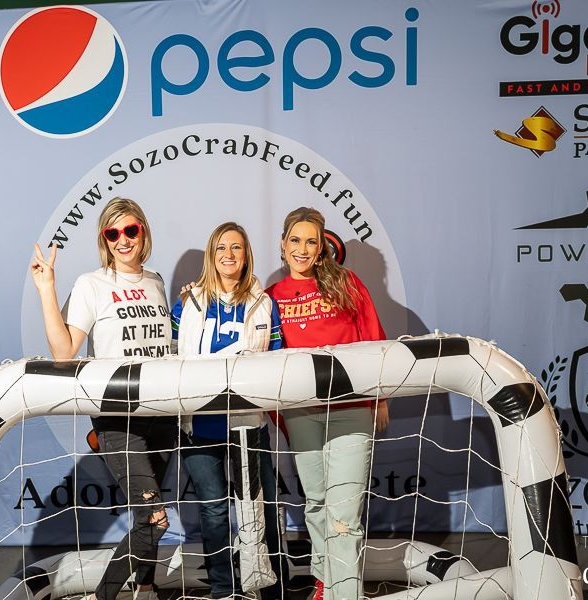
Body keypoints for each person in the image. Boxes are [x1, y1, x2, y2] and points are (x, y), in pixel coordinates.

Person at [30, 197, 174, 600]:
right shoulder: (91, 285)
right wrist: (46, 289)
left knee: (149, 520)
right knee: (155, 518)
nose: (123, 240)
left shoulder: (156, 282)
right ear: (104, 240)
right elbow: (64, 353)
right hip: (117, 418)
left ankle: (145, 588)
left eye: (130, 230)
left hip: (163, 414)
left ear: (143, 231)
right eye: (113, 233)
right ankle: (102, 596)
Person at [266, 207, 389, 600]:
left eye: (311, 241)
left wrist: (380, 398)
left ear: (322, 249)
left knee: (345, 513)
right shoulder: (271, 297)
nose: (302, 249)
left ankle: (346, 593)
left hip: (351, 409)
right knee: (316, 503)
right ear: (283, 246)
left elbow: (374, 339)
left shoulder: (347, 283)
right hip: (302, 414)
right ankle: (324, 582)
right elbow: (266, 358)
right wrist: (280, 413)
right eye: (295, 240)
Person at [170, 222, 288, 600]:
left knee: (262, 511)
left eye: (236, 248)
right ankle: (223, 590)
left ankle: (270, 588)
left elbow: (278, 360)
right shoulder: (187, 303)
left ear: (246, 254)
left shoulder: (264, 304)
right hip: (199, 428)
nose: (229, 255)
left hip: (249, 428)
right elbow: (169, 359)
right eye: (221, 248)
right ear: (211, 254)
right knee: (215, 513)